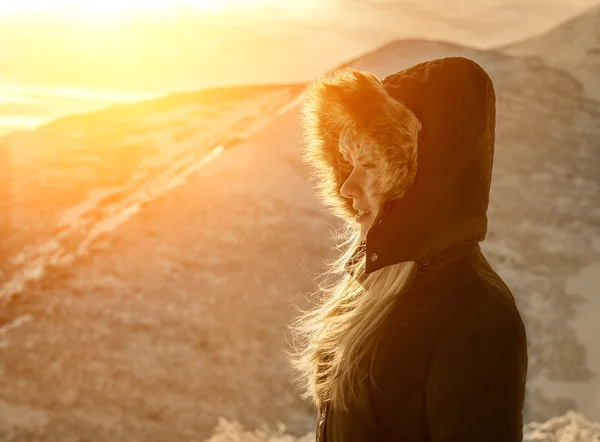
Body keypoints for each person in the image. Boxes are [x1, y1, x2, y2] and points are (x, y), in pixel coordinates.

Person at [286, 57, 529, 442]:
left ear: (421, 179)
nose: (347, 187)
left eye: (368, 164)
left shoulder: (476, 316)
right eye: (348, 163)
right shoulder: (378, 289)